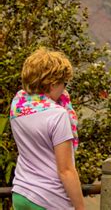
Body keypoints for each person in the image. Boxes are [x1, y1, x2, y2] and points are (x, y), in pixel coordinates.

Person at [9, 47, 85, 210]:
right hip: (49, 198)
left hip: (21, 193)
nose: (64, 89)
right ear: (52, 84)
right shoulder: (57, 115)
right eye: (64, 84)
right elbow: (66, 170)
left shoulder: (18, 105)